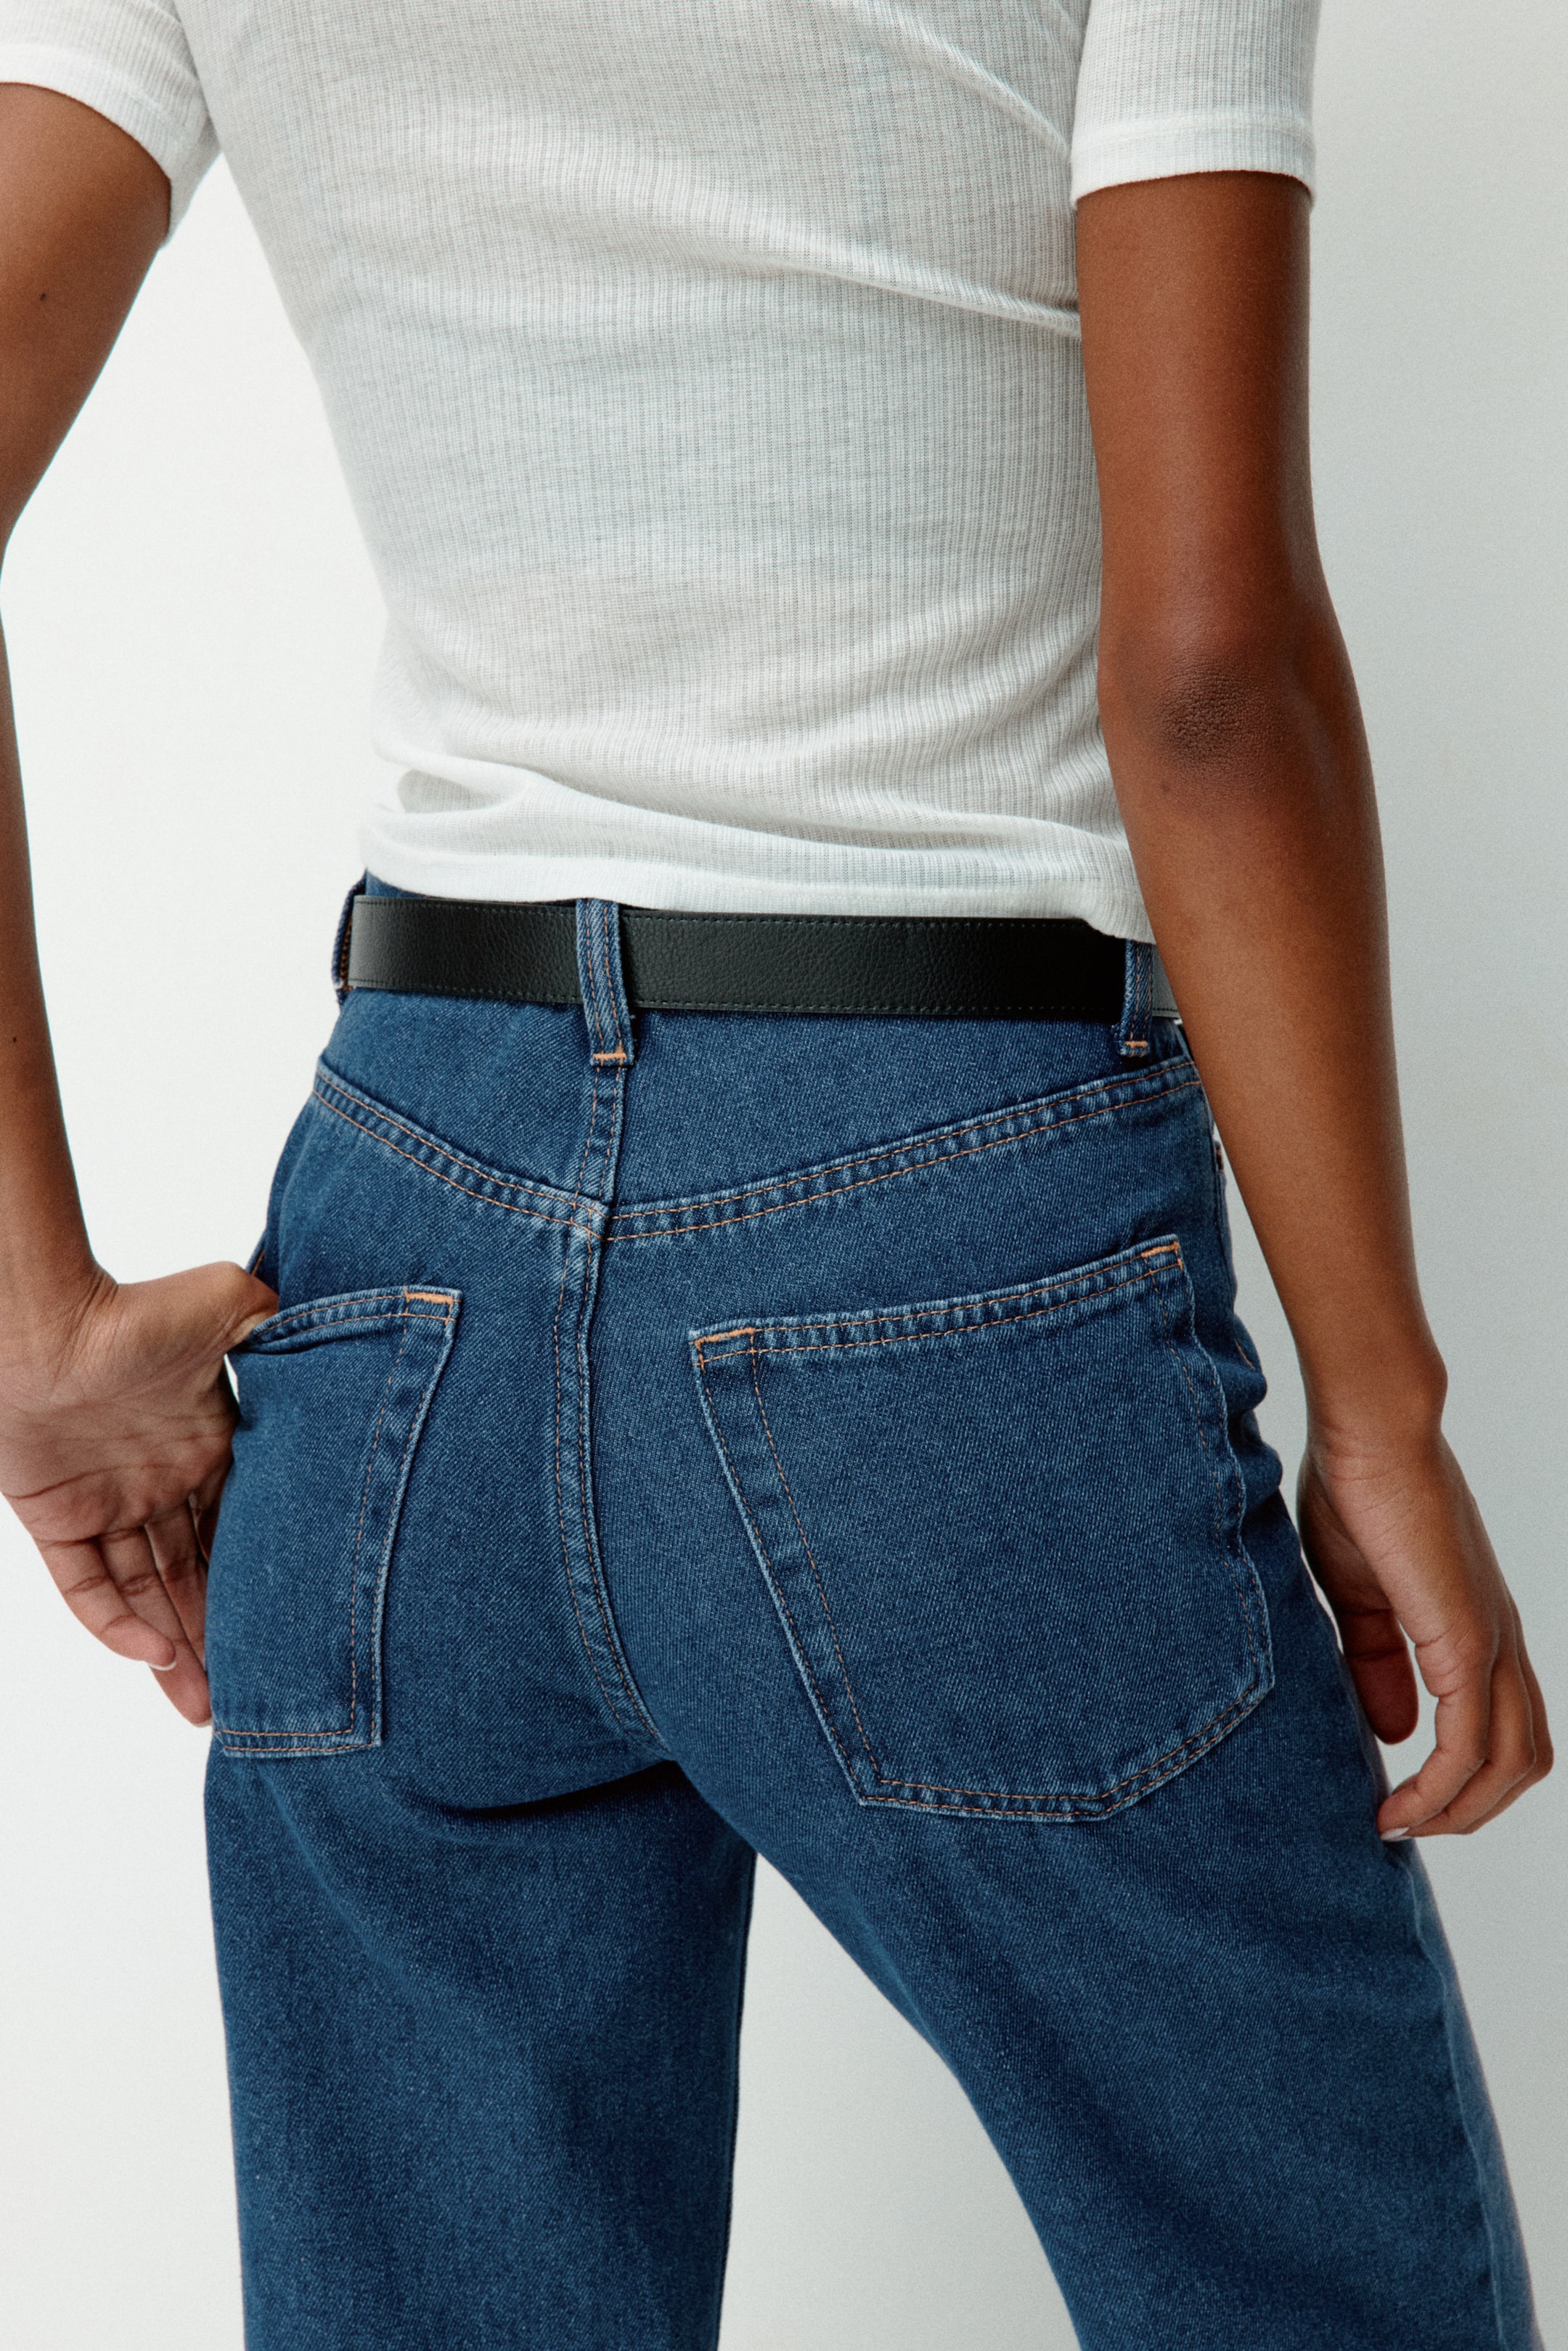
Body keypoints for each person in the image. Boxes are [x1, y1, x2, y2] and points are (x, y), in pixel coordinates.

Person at [0, 1, 1551, 2344]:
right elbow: (1211, 675)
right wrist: (1386, 1406)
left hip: (404, 1254)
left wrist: (34, 1326)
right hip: (948, 1229)